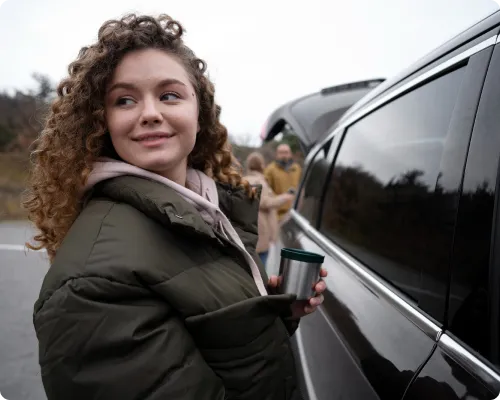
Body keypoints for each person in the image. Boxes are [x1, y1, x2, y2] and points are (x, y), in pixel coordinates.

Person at [23, 14, 328, 400]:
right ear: (102, 123)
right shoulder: (91, 283)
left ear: (198, 115)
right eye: (125, 100)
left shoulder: (206, 213)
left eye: (169, 95)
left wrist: (274, 313)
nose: (150, 112)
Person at [243, 152, 294, 266]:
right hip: (260, 231)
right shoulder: (257, 181)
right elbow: (263, 202)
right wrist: (284, 197)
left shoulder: (245, 179)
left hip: (252, 230)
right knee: (260, 269)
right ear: (261, 165)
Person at [264, 143, 302, 220]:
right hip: (276, 216)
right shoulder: (270, 170)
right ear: (276, 154)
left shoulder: (297, 168)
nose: (284, 155)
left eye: (286, 152)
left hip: (294, 214)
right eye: (281, 153)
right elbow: (266, 191)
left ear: (290, 154)